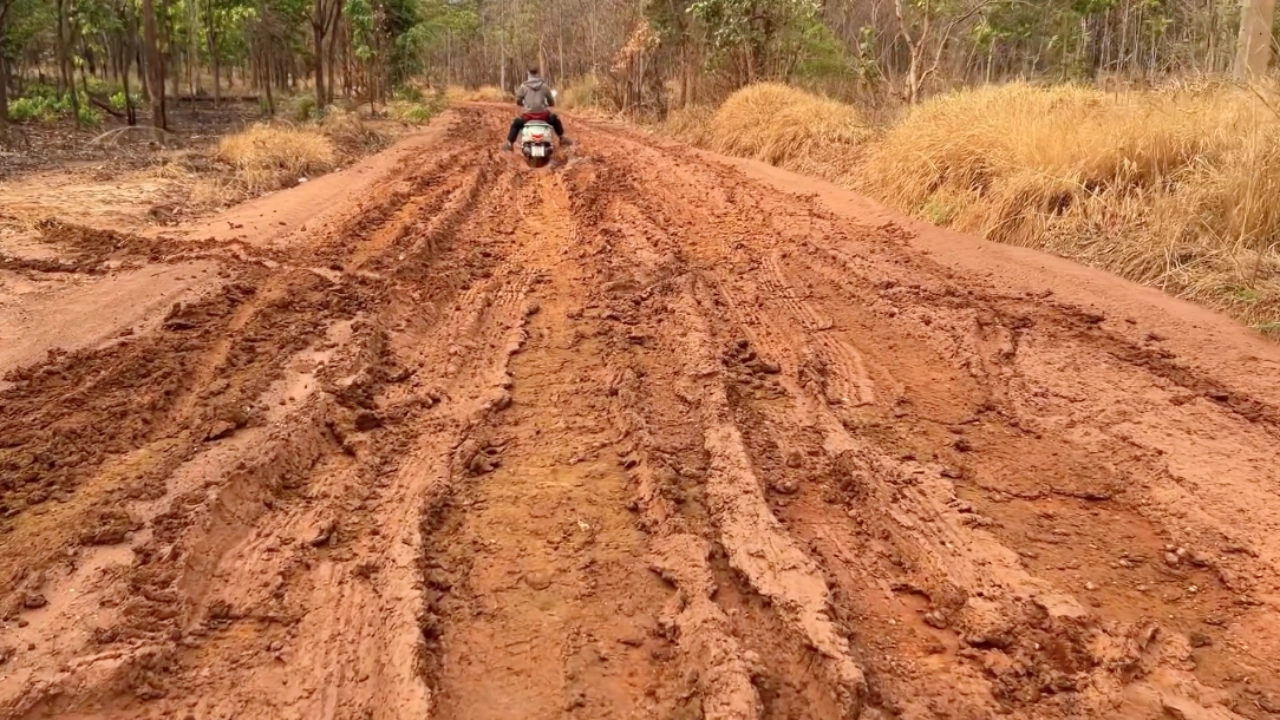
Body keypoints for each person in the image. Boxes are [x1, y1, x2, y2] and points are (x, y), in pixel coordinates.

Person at [503, 68, 571, 151]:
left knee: (515, 123)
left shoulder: (523, 87)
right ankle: (562, 138)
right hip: (543, 116)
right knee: (555, 119)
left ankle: (510, 144)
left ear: (528, 74)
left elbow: (518, 100)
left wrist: (522, 104)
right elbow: (551, 101)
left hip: (528, 116)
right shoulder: (544, 86)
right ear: (537, 74)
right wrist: (549, 104)